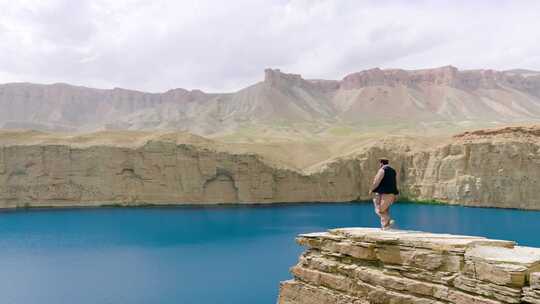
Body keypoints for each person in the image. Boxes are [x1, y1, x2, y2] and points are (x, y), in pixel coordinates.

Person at [369, 158, 399, 230]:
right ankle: (386, 225)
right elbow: (394, 183)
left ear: (381, 163)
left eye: (380, 163)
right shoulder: (393, 171)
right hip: (391, 193)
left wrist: (371, 189)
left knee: (380, 210)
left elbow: (377, 181)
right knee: (385, 210)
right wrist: (395, 194)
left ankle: (387, 224)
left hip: (383, 194)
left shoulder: (382, 170)